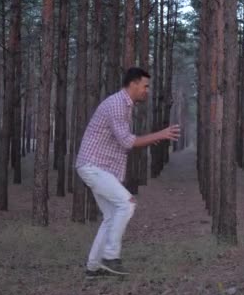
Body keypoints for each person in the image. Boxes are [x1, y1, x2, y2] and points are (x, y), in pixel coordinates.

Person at [76, 67, 180, 276]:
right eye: (145, 86)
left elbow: (123, 141)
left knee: (111, 215)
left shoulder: (124, 105)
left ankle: (93, 268)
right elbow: (126, 141)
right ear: (133, 84)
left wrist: (154, 137)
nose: (147, 91)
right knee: (127, 203)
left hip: (98, 167)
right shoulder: (117, 104)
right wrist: (159, 134)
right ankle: (111, 257)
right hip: (92, 166)